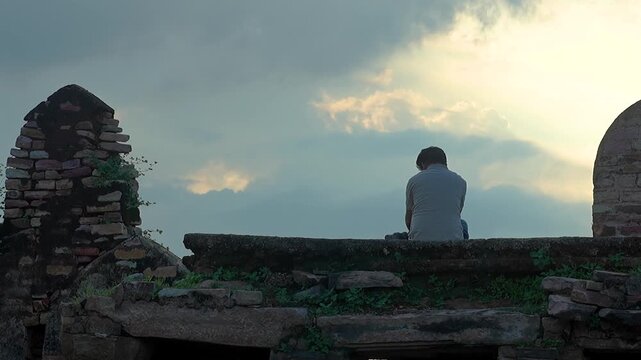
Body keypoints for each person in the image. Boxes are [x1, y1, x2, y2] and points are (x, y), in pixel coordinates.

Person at [405, 146, 467, 241]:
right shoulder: (460, 181)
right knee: (462, 224)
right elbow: (457, 212)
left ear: (423, 163)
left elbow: (409, 219)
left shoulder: (414, 181)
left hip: (420, 238)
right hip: (453, 239)